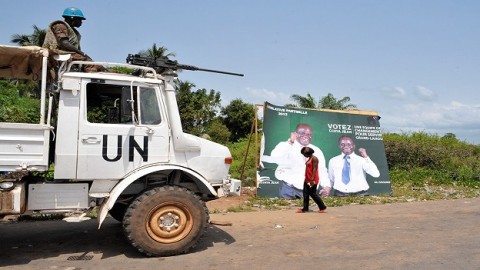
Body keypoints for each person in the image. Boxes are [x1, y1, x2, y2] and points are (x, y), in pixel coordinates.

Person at [266, 123, 329, 199]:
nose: (306, 136)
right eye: (303, 133)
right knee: (287, 211)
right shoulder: (286, 145)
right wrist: (291, 142)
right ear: (295, 134)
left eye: (309, 134)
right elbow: (274, 157)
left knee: (306, 211)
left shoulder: (317, 151)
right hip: (288, 190)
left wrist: (327, 186)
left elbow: (322, 171)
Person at [43, 7, 97, 72]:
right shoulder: (60, 25)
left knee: (95, 65)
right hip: (55, 53)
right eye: (79, 19)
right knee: (87, 63)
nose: (81, 22)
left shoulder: (73, 31)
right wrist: (82, 53)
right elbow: (65, 43)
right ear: (72, 18)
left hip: (67, 55)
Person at [296, 147, 327, 213]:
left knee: (312, 194)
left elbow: (315, 169)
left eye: (304, 154)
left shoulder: (314, 158)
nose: (304, 155)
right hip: (307, 179)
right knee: (305, 194)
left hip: (312, 180)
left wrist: (312, 179)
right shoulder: (309, 158)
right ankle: (305, 208)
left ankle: (322, 207)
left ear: (308, 153)